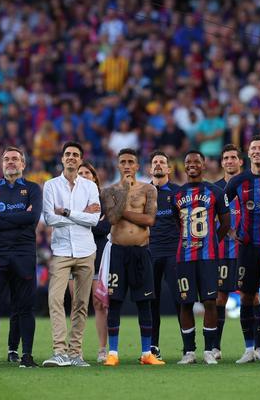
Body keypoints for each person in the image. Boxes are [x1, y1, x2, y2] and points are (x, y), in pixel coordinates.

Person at [0, 147, 42, 368]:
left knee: (25, 306)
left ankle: (27, 355)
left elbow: (33, 217)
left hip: (24, 253)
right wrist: (19, 217)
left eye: (15, 159)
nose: (10, 162)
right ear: (1, 164)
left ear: (23, 164)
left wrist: (1, 216)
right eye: (6, 159)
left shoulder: (33, 188)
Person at [101, 149, 164, 366]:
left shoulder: (149, 189)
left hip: (141, 251)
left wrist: (123, 210)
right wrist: (125, 194)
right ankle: (113, 353)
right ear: (118, 166)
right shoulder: (109, 191)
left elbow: (149, 220)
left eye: (131, 162)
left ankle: (147, 353)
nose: (127, 166)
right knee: (115, 302)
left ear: (137, 166)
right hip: (118, 252)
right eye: (123, 162)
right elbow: (111, 218)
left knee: (144, 303)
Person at [42, 141, 101, 367]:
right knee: (55, 298)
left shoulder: (90, 186)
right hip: (61, 250)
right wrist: (80, 214)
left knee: (81, 303)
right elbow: (49, 218)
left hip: (86, 250)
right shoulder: (50, 186)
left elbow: (94, 219)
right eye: (67, 154)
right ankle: (60, 351)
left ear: (80, 159)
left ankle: (75, 353)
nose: (71, 157)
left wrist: (66, 212)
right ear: (62, 158)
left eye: (75, 154)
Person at [173, 150, 229, 364]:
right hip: (184, 257)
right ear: (184, 166)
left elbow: (225, 224)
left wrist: (212, 242)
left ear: (204, 165)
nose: (192, 164)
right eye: (188, 162)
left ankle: (208, 350)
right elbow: (178, 224)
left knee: (210, 302)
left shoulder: (215, 191)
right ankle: (188, 351)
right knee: (185, 303)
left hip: (208, 256)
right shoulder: (177, 195)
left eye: (197, 161)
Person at [225, 136, 260, 363]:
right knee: (247, 296)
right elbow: (220, 205)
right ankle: (250, 348)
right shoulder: (238, 181)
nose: (256, 151)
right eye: (253, 147)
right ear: (248, 153)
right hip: (247, 248)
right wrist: (230, 230)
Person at [147, 151, 180, 360]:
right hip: (150, 251)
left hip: (174, 252)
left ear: (169, 169)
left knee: (181, 298)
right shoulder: (141, 192)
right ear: (150, 169)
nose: (158, 165)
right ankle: (152, 347)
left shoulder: (178, 192)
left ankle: (189, 347)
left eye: (162, 162)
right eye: (155, 162)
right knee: (152, 301)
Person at [77, 162, 110, 363]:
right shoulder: (69, 196)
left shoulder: (104, 199)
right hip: (76, 254)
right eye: (80, 173)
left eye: (87, 172)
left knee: (99, 303)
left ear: (94, 177)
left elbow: (106, 227)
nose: (83, 175)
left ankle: (102, 349)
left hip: (97, 256)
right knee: (77, 304)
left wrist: (80, 219)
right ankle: (75, 349)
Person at [213, 144, 244, 359]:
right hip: (221, 252)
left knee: (251, 298)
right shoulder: (214, 189)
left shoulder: (250, 186)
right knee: (219, 299)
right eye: (226, 158)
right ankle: (215, 347)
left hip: (247, 252)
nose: (230, 161)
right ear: (222, 162)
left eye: (234, 157)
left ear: (241, 161)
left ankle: (254, 347)